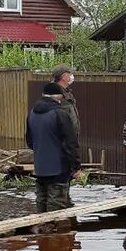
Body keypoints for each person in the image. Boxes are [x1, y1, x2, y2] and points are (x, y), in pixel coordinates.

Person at [25, 82, 81, 228]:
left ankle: (43, 244)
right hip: (59, 168)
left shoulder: (32, 113)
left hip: (40, 168)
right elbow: (70, 143)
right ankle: (55, 242)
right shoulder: (60, 114)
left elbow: (30, 142)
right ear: (59, 97)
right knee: (56, 206)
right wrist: (75, 166)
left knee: (41, 205)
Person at [50, 64, 80, 206]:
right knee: (58, 185)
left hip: (68, 144)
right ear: (63, 76)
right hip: (60, 145)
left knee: (65, 183)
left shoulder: (66, 93)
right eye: (70, 74)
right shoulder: (55, 94)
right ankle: (59, 214)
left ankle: (66, 208)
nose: (72, 76)